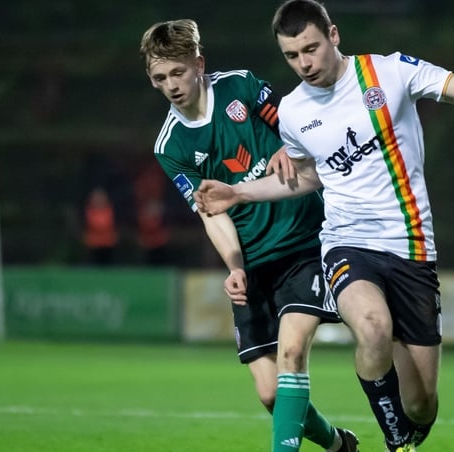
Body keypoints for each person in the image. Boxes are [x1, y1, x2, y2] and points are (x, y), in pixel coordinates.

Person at [194, 1, 454, 450]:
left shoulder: (391, 72)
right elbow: (308, 176)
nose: (303, 63)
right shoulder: (294, 110)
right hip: (347, 243)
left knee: (422, 405)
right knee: (373, 327)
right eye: (292, 55)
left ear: (334, 35)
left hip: (412, 248)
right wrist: (238, 193)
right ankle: (397, 443)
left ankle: (408, 425)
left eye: (311, 49)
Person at [139, 19, 358, 452]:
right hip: (253, 264)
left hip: (303, 245)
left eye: (178, 72)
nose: (171, 85)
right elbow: (211, 213)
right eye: (160, 78)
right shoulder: (170, 147)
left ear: (198, 64)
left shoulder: (239, 86)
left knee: (292, 354)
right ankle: (338, 445)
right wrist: (235, 267)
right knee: (271, 394)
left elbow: (295, 121)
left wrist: (289, 144)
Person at [83, 186, 118, 266]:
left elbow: (109, 224)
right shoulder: (89, 211)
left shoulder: (110, 210)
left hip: (108, 243)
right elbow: (93, 225)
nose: (98, 200)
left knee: (107, 265)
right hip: (93, 244)